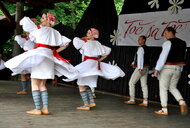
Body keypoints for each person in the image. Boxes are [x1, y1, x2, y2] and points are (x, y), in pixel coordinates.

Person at [5, 13, 77, 115]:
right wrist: (54, 52)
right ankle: (45, 108)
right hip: (48, 57)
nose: (41, 20)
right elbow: (65, 44)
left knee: (34, 82)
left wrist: (30, 23)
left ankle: (37, 109)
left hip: (40, 55)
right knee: (42, 85)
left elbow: (28, 27)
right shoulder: (55, 32)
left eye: (43, 18)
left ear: (49, 20)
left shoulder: (40, 30)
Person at [63, 28, 125, 110]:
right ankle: (92, 102)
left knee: (81, 85)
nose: (87, 34)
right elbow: (107, 51)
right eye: (87, 32)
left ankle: (86, 105)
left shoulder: (86, 42)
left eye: (88, 33)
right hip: (95, 65)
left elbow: (76, 41)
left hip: (88, 65)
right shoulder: (98, 43)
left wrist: (84, 38)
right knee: (87, 84)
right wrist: (99, 60)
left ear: (92, 35)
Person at [153, 27, 188, 116]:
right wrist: (180, 69)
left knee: (163, 88)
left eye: (166, 33)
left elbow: (163, 57)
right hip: (178, 69)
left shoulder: (168, 42)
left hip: (168, 68)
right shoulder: (183, 43)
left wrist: (157, 69)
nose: (165, 35)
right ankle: (181, 102)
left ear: (171, 32)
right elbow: (183, 57)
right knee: (172, 87)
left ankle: (164, 109)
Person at [124, 35, 150, 107]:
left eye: (140, 39)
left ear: (144, 40)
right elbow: (142, 58)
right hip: (146, 68)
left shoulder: (141, 48)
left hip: (141, 68)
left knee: (131, 83)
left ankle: (132, 99)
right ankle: (145, 101)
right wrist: (134, 63)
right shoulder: (147, 48)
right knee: (144, 85)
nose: (138, 40)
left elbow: (140, 58)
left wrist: (140, 68)